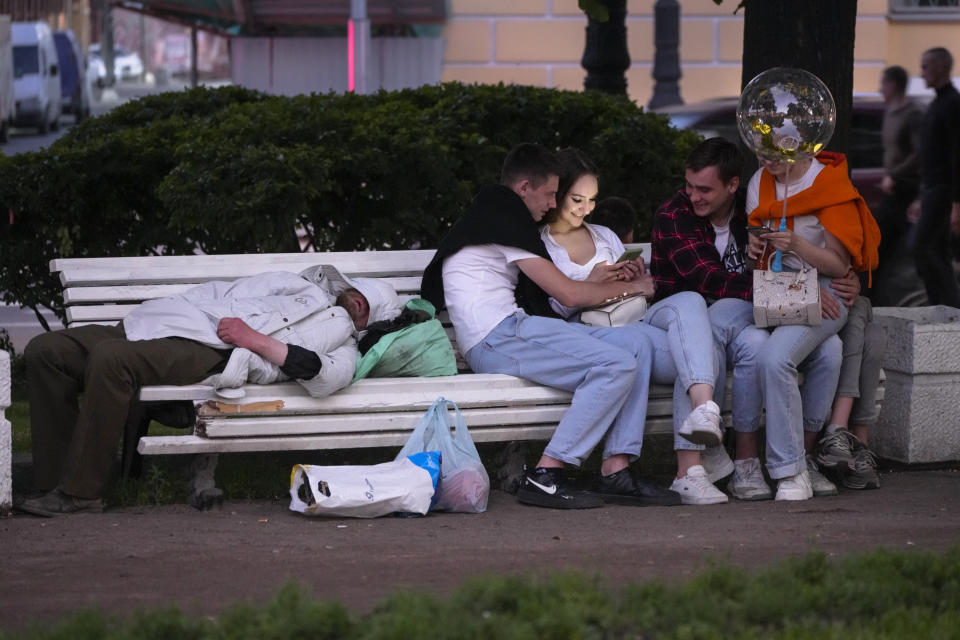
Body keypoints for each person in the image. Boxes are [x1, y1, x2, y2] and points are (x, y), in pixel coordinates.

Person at [421, 143, 682, 510]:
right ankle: (547, 473)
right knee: (616, 364)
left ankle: (616, 469)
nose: (551, 204)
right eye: (548, 194)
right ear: (524, 187)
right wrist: (635, 287)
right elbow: (569, 295)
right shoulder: (503, 219)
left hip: (514, 330)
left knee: (634, 346)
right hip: (498, 338)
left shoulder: (494, 214)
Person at [20, 266, 401, 516]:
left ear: (369, 322)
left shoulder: (345, 347)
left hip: (208, 350)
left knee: (111, 359)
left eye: (367, 308)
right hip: (158, 322)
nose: (357, 303)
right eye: (359, 294)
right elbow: (225, 292)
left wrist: (252, 339)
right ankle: (50, 483)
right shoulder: (295, 283)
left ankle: (80, 493)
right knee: (45, 351)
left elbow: (324, 379)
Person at [652, 138, 863, 502]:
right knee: (722, 331)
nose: (693, 196)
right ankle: (702, 456)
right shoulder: (676, 215)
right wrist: (796, 291)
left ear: (731, 185)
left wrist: (791, 275)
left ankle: (799, 459)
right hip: (688, 322)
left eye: (704, 189)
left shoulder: (744, 208)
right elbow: (711, 280)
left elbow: (768, 265)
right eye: (689, 186)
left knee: (826, 348)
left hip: (760, 308)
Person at [538, 148, 728, 505]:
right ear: (557, 193)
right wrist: (594, 282)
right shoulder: (543, 246)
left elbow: (647, 290)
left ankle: (704, 412)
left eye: (592, 200)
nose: (585, 209)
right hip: (593, 332)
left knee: (689, 302)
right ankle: (690, 470)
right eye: (577, 199)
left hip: (638, 315)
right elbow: (555, 311)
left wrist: (637, 277)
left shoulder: (605, 234)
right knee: (702, 355)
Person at [746, 145, 881, 500]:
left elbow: (839, 266)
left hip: (826, 287)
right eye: (760, 153)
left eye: (774, 154)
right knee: (830, 352)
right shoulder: (759, 181)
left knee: (776, 358)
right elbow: (756, 262)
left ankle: (788, 471)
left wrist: (798, 246)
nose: (766, 162)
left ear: (802, 146)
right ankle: (803, 462)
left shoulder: (829, 183)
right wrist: (753, 249)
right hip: (776, 290)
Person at [815, 296, 885, 490]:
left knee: (874, 334)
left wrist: (847, 275)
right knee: (857, 310)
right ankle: (845, 433)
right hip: (798, 306)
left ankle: (855, 443)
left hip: (836, 302)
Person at [912, 47, 960, 307]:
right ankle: (944, 308)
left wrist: (956, 203)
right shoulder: (938, 103)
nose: (922, 73)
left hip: (943, 191)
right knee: (935, 249)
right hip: (931, 190)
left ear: (941, 67)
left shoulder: (952, 104)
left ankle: (946, 307)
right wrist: (920, 197)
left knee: (923, 247)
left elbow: (956, 156)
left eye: (926, 67)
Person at [873, 65, 923, 284]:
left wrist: (894, 174)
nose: (880, 88)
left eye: (883, 83)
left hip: (907, 187)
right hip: (893, 187)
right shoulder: (891, 110)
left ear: (894, 84)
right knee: (884, 241)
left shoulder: (912, 114)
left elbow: (919, 153)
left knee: (903, 243)